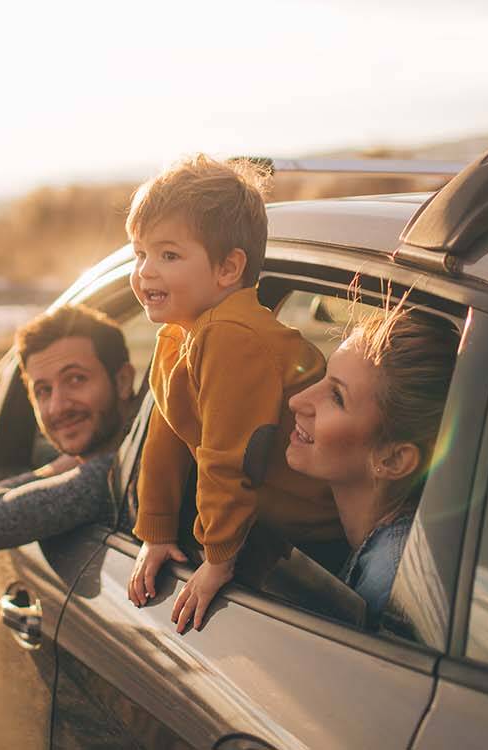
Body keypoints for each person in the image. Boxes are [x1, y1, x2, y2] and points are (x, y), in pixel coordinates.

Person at [124, 154, 343, 633]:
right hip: (273, 527)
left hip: (317, 535)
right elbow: (166, 437)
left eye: (169, 255)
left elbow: (227, 456)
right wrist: (157, 531)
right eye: (139, 254)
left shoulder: (230, 336)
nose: (145, 272)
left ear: (228, 268)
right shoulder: (181, 335)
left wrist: (217, 559)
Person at [285, 305, 460, 619]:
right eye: (325, 376)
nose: (297, 401)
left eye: (337, 397)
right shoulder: (390, 547)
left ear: (393, 459)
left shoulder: (388, 582)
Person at [0, 305, 138, 553]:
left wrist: (57, 468)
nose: (58, 407)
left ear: (123, 381)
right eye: (43, 391)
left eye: (76, 379)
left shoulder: (115, 475)